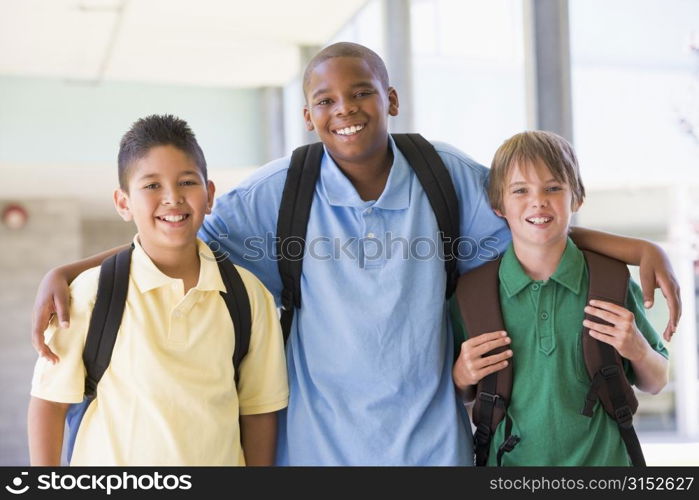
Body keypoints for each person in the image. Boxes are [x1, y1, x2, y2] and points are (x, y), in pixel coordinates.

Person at [30, 43, 680, 466]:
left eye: (362, 92)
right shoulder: (278, 193)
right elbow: (173, 232)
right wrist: (72, 272)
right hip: (314, 451)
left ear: (389, 99)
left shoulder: (443, 177)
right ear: (310, 115)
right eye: (325, 101)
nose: (345, 109)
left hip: (434, 448)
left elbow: (534, 213)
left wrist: (630, 245)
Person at [27, 115, 288, 466]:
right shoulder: (90, 293)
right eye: (151, 186)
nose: (172, 198)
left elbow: (258, 411)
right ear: (123, 203)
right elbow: (50, 402)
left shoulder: (249, 296)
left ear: (209, 196)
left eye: (186, 182)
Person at [451, 130, 669, 465]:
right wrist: (461, 376)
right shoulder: (471, 294)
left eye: (553, 188)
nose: (538, 201)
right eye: (520, 190)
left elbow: (657, 381)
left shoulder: (609, 281)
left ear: (576, 198)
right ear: (499, 205)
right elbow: (453, 394)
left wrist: (637, 348)